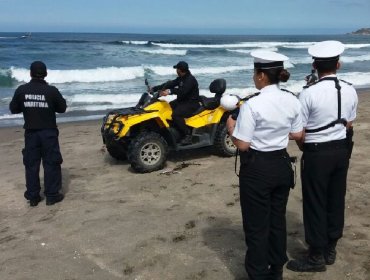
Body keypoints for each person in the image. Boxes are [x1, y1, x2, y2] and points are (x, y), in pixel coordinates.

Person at [227, 50, 303, 280]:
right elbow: (297, 133)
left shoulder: (252, 104)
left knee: (256, 225)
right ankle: (276, 268)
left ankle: (259, 273)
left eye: (254, 73)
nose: (253, 77)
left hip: (258, 167)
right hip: (281, 163)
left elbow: (242, 144)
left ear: (261, 76)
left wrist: (231, 126)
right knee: (276, 220)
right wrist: (277, 134)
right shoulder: (292, 98)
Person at [286, 41, 358, 272]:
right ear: (338, 64)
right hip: (341, 150)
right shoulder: (350, 89)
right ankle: (330, 247)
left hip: (317, 152)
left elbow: (300, 131)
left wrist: (303, 146)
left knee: (315, 201)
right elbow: (349, 123)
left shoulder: (308, 94)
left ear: (314, 66)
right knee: (336, 198)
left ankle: (316, 255)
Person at [9, 61, 67, 207]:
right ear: (46, 74)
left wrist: (27, 105)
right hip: (49, 133)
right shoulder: (51, 91)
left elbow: (13, 109)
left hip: (31, 134)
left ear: (30, 73)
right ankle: (52, 195)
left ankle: (33, 196)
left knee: (31, 164)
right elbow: (62, 108)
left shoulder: (22, 90)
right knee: (51, 163)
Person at [151, 61, 200, 145]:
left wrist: (169, 91)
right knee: (166, 107)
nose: (176, 70)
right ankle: (174, 129)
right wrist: (155, 88)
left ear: (180, 70)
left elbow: (182, 91)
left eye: (177, 68)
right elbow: (171, 84)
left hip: (191, 104)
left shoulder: (190, 80)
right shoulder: (182, 77)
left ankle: (187, 135)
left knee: (176, 114)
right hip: (182, 101)